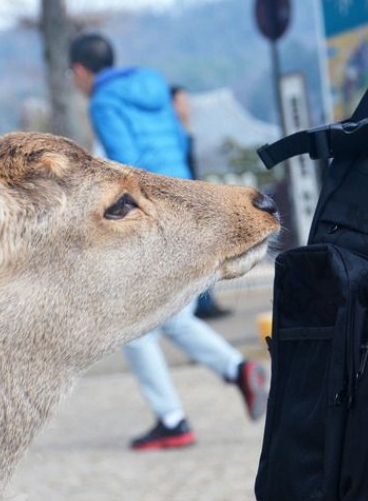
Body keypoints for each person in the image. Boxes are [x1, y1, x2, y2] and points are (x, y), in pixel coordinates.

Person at [68, 32, 269, 451]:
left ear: (81, 71)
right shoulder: (155, 87)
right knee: (173, 316)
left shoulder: (103, 102)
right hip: (186, 206)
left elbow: (124, 173)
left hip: (153, 218)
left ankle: (173, 421)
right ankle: (238, 370)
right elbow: (178, 142)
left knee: (135, 324)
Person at [170, 84, 231, 321]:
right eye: (182, 101)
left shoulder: (183, 128)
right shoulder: (173, 130)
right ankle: (200, 305)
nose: (188, 106)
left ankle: (205, 302)